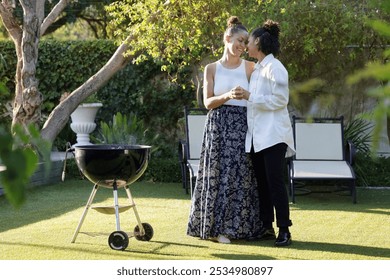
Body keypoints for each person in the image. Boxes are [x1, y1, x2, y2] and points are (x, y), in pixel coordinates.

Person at [187, 16, 261, 244]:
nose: (242, 45)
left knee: (238, 177)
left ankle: (231, 229)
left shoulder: (251, 67)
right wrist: (228, 95)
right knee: (216, 176)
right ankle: (212, 228)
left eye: (245, 42)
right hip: (217, 127)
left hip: (241, 126)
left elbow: (259, 96)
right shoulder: (211, 68)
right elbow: (207, 103)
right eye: (239, 40)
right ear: (227, 38)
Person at [241, 19, 295, 246]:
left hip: (273, 136)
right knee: (262, 184)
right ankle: (266, 227)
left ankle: (284, 230)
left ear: (259, 42)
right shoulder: (257, 70)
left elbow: (281, 99)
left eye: (250, 41)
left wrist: (249, 96)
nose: (246, 45)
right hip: (257, 138)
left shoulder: (276, 68)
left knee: (274, 183)